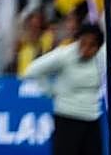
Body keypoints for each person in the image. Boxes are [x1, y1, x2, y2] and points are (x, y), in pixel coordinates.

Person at [22, 24, 106, 155]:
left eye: (92, 46)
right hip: (67, 117)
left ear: (99, 47)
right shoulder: (64, 55)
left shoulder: (104, 56)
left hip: (92, 117)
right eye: (82, 43)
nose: (85, 49)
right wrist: (50, 91)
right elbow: (32, 70)